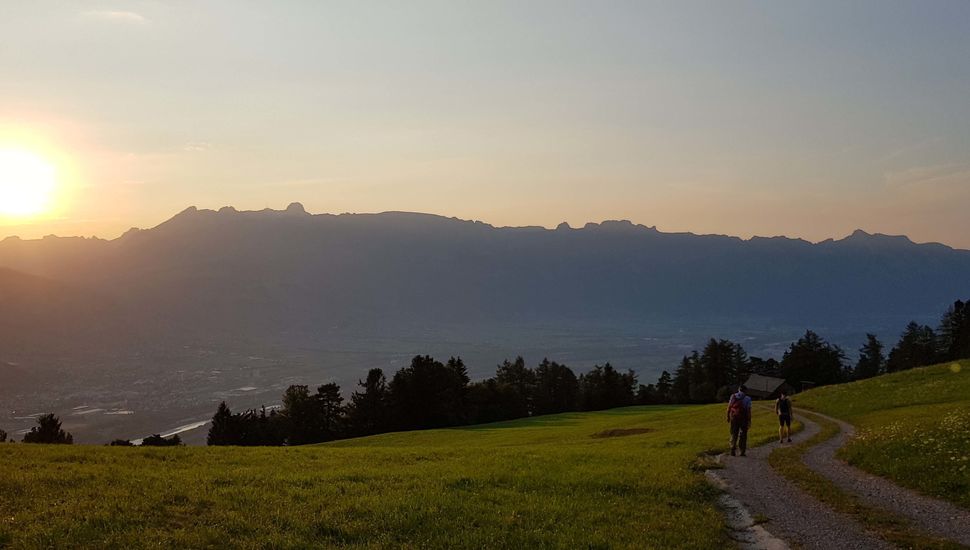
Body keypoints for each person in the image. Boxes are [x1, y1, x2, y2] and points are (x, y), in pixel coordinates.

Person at [726, 385, 752, 456]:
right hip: (743, 419)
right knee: (743, 434)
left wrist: (727, 416)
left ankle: (732, 449)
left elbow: (729, 407)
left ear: (739, 389)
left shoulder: (733, 396)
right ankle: (742, 451)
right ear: (745, 391)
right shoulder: (747, 398)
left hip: (734, 418)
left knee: (734, 433)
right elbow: (748, 411)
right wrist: (749, 420)